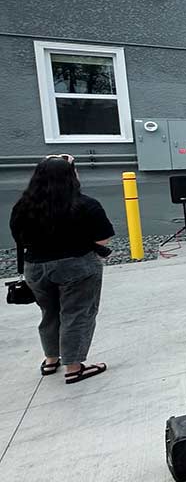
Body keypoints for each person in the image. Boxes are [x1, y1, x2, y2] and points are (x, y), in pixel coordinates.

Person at [9, 154, 114, 384]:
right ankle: (73, 367)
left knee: (49, 312)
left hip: (35, 268)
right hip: (76, 266)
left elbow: (18, 237)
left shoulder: (23, 206)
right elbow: (103, 238)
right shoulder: (86, 204)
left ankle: (50, 359)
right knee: (77, 314)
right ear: (71, 177)